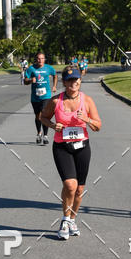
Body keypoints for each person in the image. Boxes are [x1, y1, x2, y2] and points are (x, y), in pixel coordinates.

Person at [40, 66, 102, 240]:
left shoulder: (87, 100)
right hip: (62, 147)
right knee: (70, 185)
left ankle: (73, 220)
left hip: (82, 147)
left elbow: (98, 126)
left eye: (76, 79)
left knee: (79, 189)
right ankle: (65, 220)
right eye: (69, 80)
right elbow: (42, 117)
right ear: (64, 82)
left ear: (80, 81)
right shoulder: (55, 101)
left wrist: (86, 119)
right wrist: (53, 125)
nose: (73, 83)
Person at [24, 52, 57, 144]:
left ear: (44, 59)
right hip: (35, 97)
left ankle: (45, 136)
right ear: (36, 59)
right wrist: (31, 80)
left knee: (44, 114)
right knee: (38, 116)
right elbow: (25, 81)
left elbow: (55, 75)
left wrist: (54, 86)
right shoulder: (31, 69)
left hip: (46, 96)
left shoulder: (49, 68)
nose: (40, 60)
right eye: (38, 58)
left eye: (42, 58)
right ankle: (39, 133)